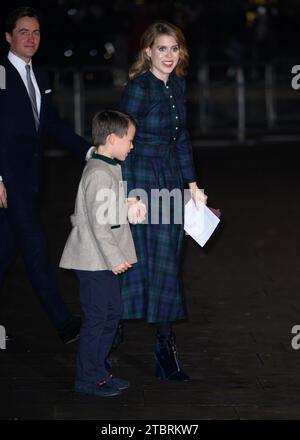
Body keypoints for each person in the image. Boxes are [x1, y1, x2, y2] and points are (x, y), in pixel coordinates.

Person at [119, 21, 207, 381]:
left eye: (174, 49)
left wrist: (193, 184)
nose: (169, 55)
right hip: (140, 180)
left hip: (170, 179)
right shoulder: (137, 89)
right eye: (162, 49)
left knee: (167, 261)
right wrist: (125, 196)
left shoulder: (179, 86)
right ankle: (109, 336)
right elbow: (119, 141)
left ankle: (164, 345)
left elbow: (181, 138)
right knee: (131, 260)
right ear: (148, 52)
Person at [0, 7, 93, 344]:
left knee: (7, 250)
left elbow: (51, 125)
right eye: (23, 32)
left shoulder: (40, 76)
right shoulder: (0, 73)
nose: (31, 38)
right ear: (8, 37)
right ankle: (64, 323)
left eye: (36, 32)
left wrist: (89, 152)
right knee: (36, 246)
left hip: (32, 180)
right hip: (9, 181)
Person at [59, 110, 138, 397]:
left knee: (112, 313)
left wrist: (127, 205)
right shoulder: (98, 173)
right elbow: (97, 224)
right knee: (97, 318)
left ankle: (99, 372)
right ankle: (87, 378)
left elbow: (107, 211)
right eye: (129, 140)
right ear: (112, 139)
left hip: (103, 259)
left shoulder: (108, 166)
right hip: (94, 260)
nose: (132, 145)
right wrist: (115, 258)